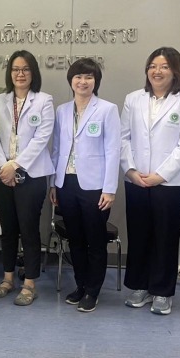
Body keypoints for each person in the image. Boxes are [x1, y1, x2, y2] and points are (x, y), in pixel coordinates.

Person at [120, 47, 180, 315]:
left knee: (166, 237)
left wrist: (159, 175)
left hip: (169, 183)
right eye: (153, 65)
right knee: (139, 234)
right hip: (137, 180)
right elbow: (123, 138)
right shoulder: (133, 99)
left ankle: (163, 292)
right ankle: (140, 286)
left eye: (164, 66)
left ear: (175, 70)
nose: (157, 71)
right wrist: (131, 171)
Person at [49, 58, 120, 313]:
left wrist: (109, 189)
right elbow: (57, 149)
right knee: (75, 240)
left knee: (95, 240)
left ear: (95, 81)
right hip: (66, 183)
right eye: (78, 77)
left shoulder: (107, 109)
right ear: (71, 80)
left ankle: (93, 290)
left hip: (95, 187)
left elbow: (113, 150)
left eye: (89, 77)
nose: (83, 81)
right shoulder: (62, 110)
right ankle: (80, 285)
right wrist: (54, 184)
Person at [0, 50, 54, 306]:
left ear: (33, 72)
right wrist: (4, 167)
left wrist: (16, 165)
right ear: (10, 73)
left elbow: (42, 138)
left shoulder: (44, 101)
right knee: (8, 229)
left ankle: (30, 283)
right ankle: (7, 279)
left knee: (28, 228)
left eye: (25, 69)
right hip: (2, 175)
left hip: (32, 175)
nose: (20, 74)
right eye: (16, 69)